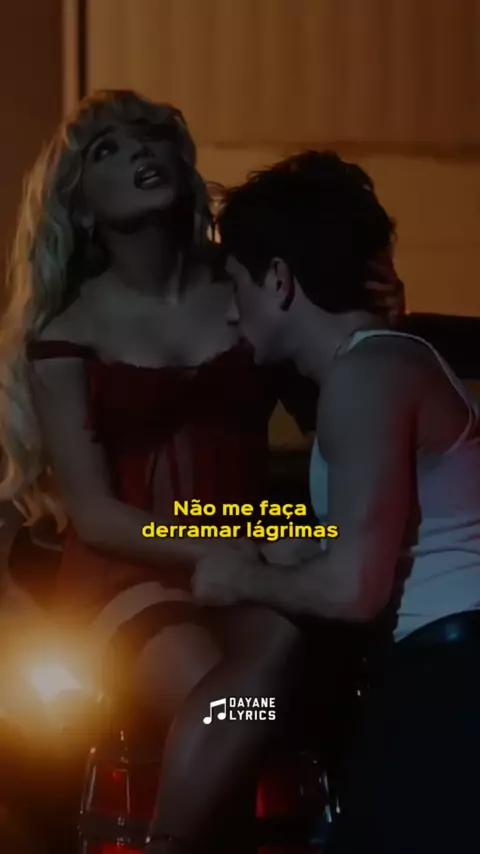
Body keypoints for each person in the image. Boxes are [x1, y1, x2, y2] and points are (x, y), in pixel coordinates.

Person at [0, 96, 403, 853]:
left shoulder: (253, 289)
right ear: (79, 206)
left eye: (151, 137)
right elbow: (95, 516)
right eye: (106, 149)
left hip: (252, 558)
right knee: (226, 708)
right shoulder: (65, 333)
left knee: (265, 691)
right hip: (130, 575)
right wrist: (229, 547)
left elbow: (343, 410)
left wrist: (372, 330)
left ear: (183, 165)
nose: (139, 152)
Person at [193, 150, 480, 853]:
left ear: (279, 279)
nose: (230, 313)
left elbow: (354, 589)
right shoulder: (375, 367)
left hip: (449, 680)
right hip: (427, 677)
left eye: (236, 286)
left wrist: (240, 576)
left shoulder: (370, 371)